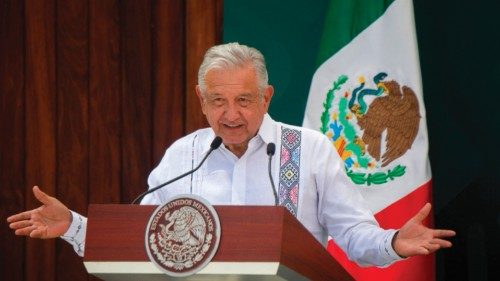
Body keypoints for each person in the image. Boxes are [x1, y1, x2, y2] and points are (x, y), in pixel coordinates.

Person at [7, 42, 455, 267]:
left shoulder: (309, 149)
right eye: (217, 101)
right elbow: (141, 241)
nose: (231, 114)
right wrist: (74, 227)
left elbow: (356, 237)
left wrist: (394, 242)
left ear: (267, 97)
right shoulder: (185, 154)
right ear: (201, 101)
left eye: (243, 100)